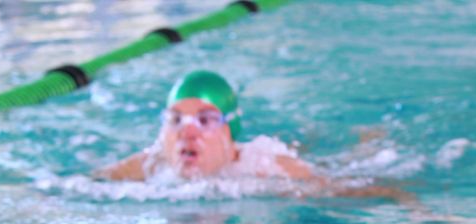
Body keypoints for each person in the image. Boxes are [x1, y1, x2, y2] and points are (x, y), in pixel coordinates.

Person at [97, 70, 315, 182]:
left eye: (205, 120)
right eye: (176, 120)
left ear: (230, 131)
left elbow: (341, 191)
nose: (187, 132)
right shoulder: (152, 165)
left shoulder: (265, 167)